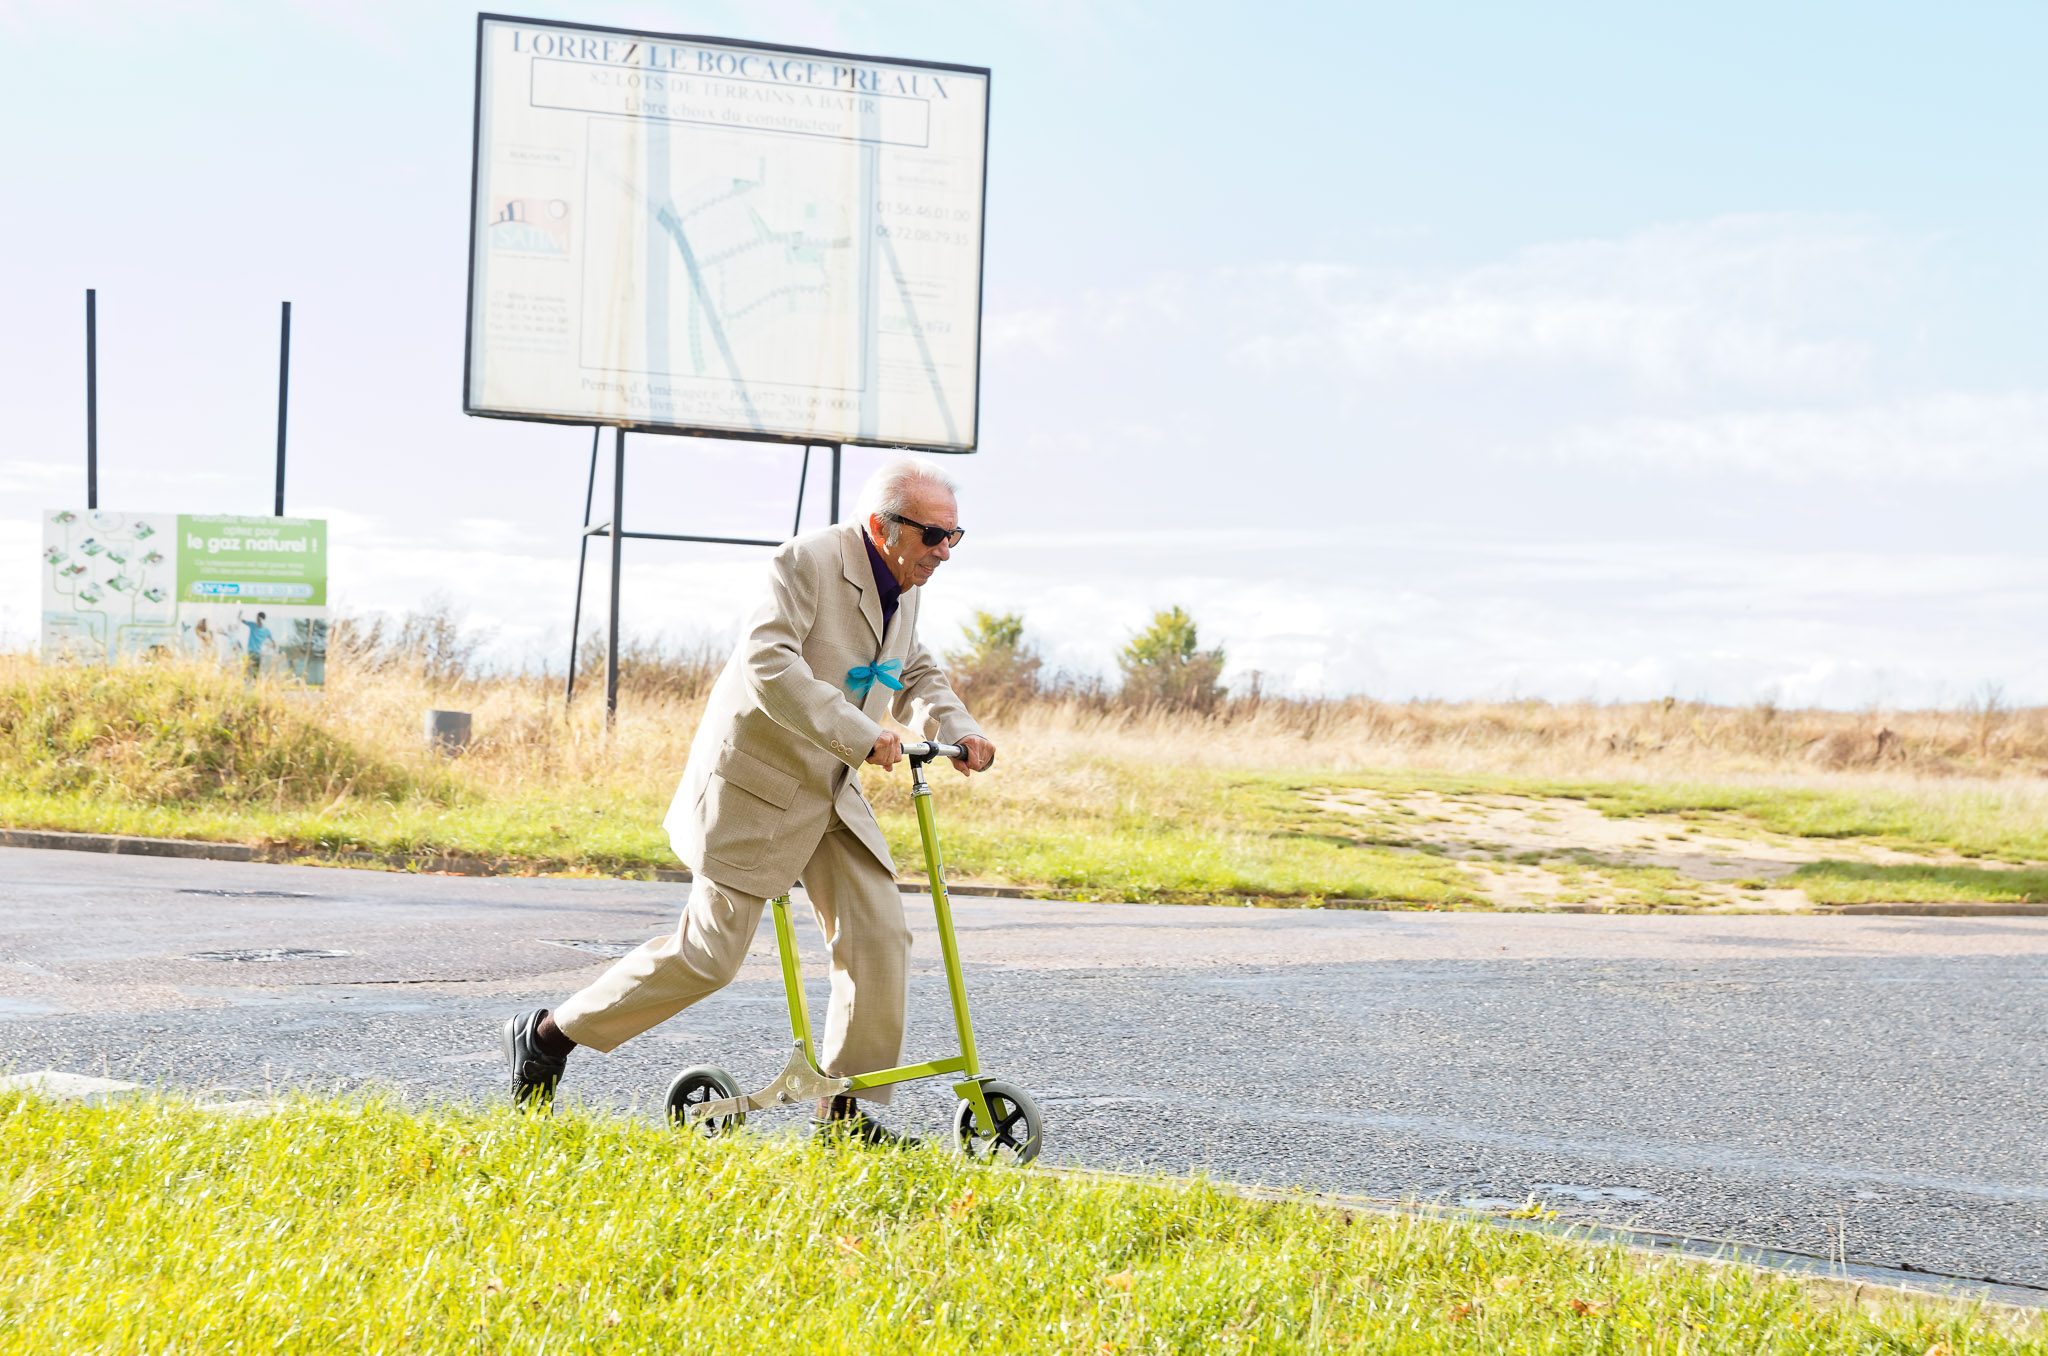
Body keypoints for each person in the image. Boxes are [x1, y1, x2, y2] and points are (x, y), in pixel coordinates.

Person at [504, 456, 995, 1146]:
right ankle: (550, 1035)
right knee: (708, 957)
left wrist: (958, 726)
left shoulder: (906, 582)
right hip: (757, 786)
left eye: (954, 536)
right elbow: (769, 663)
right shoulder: (805, 561)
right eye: (934, 536)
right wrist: (862, 733)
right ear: (883, 526)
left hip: (830, 787)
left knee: (880, 936)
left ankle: (843, 1116)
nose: (945, 552)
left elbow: (912, 668)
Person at [238, 610, 272, 678]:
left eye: (257, 618)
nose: (256, 620)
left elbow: (273, 643)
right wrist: (240, 614)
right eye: (256, 618)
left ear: (261, 619)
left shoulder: (265, 630)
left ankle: (250, 681)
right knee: (249, 671)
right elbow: (241, 620)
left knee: (254, 673)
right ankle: (248, 681)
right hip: (252, 652)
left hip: (257, 653)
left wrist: (266, 651)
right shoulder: (253, 625)